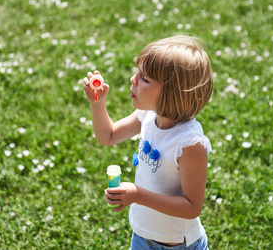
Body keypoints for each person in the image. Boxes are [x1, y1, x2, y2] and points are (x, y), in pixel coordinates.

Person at [83, 35, 213, 249]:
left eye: (145, 78)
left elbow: (192, 207)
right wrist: (98, 103)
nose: (133, 79)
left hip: (178, 245)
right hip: (143, 237)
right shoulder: (148, 116)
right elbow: (108, 136)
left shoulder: (189, 143)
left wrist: (138, 195)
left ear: (171, 93)